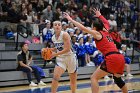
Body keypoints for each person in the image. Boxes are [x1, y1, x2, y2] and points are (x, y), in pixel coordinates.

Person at [63, 8, 128, 93]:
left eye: (91, 26)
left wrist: (71, 19)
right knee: (118, 79)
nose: (91, 27)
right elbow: (107, 22)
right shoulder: (106, 30)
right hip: (120, 57)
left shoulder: (98, 33)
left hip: (112, 57)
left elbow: (83, 28)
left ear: (94, 27)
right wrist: (99, 15)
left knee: (94, 78)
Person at [50, 21, 78, 93]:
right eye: (55, 25)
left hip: (70, 57)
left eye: (59, 25)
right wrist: (49, 50)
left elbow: (67, 48)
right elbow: (58, 47)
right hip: (61, 58)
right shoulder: (53, 38)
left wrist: (54, 54)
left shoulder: (65, 34)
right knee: (55, 77)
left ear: (61, 27)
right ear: (53, 27)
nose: (57, 26)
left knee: (72, 80)